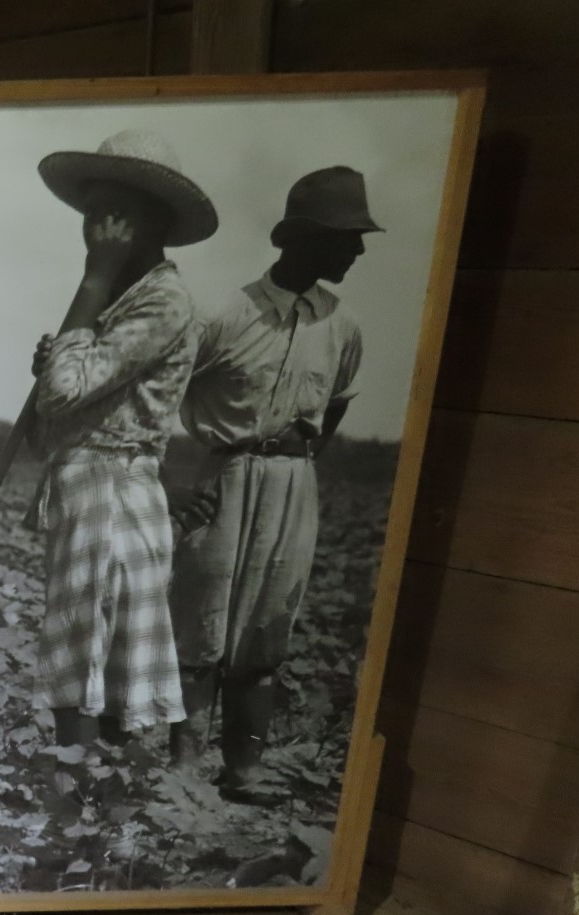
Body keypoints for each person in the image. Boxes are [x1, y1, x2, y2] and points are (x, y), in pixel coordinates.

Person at [170, 166, 382, 803]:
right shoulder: (226, 314)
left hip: (294, 483)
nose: (358, 250)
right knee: (200, 629)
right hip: (223, 475)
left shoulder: (342, 326)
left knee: (265, 635)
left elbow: (334, 406)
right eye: (347, 236)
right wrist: (177, 480)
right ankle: (181, 776)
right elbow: (160, 393)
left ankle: (244, 773)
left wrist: (294, 461)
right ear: (306, 237)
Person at [27, 129, 218, 750]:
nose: (96, 228)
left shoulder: (162, 300)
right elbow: (52, 415)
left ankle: (83, 788)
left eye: (114, 214)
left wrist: (93, 279)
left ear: (149, 220)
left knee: (93, 660)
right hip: (89, 485)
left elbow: (64, 390)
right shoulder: (123, 296)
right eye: (93, 213)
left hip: (112, 490)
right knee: (91, 653)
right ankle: (90, 789)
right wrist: (63, 351)